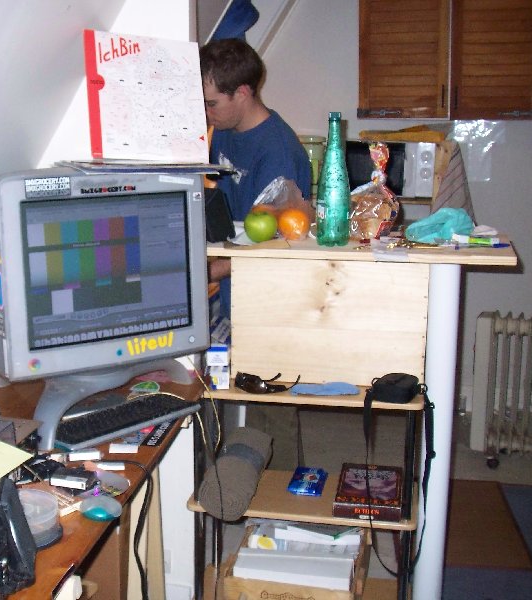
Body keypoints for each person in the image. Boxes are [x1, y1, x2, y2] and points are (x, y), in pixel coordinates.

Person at [200, 38, 311, 471]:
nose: (207, 112)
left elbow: (276, 246)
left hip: (272, 294)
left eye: (212, 103)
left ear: (243, 93)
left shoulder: (278, 152)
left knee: (273, 401)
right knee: (228, 389)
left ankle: (285, 494)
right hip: (236, 286)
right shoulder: (227, 131)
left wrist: (210, 271)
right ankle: (235, 478)